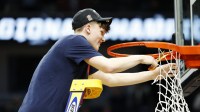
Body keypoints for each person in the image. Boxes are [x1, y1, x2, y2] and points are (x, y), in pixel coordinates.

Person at [18, 8, 175, 112]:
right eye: (101, 32)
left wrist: (155, 75)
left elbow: (111, 79)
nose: (103, 38)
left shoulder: (81, 58)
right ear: (88, 29)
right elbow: (109, 67)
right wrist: (142, 58)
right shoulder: (74, 41)